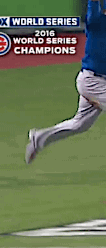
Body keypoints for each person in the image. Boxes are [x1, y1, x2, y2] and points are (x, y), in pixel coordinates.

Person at [25, 0, 106, 164]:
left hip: (98, 81)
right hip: (92, 82)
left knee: (80, 124)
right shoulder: (96, 20)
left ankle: (38, 139)